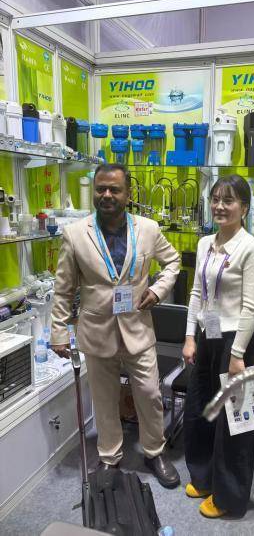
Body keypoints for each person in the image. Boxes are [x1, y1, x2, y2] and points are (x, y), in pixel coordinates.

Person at [51, 163, 181, 489]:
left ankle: (154, 451)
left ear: (128, 193)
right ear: (94, 191)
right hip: (96, 330)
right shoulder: (75, 234)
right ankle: (110, 455)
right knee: (104, 398)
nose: (106, 195)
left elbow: (173, 262)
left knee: (150, 394)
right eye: (101, 189)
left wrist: (158, 290)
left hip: (138, 327)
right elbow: (63, 289)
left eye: (114, 189)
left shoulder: (148, 229)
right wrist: (58, 331)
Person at [182, 175, 254, 518]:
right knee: (201, 407)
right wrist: (190, 336)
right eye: (215, 199)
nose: (219, 206)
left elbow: (251, 307)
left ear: (244, 208)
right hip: (208, 334)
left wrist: (237, 354)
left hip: (236, 341)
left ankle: (229, 498)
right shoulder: (205, 243)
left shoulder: (251, 247)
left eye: (228, 200)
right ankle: (203, 477)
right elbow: (196, 293)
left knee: (234, 423)